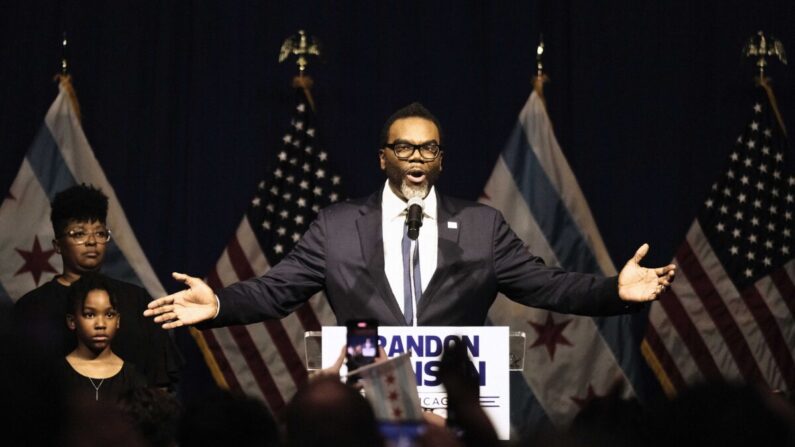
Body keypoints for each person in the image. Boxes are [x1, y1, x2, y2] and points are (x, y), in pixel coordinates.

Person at [145, 102, 676, 330]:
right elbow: (273, 290)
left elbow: (547, 286)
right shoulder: (335, 226)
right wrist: (217, 302)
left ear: (441, 158)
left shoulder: (481, 227)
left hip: (456, 404)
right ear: (384, 157)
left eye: (428, 149)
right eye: (404, 148)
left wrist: (613, 291)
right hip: (368, 399)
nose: (416, 158)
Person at [14, 184, 181, 389]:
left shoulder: (138, 302)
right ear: (57, 245)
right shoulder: (32, 308)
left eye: (100, 233)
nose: (92, 241)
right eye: (79, 234)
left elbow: (161, 385)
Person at [62, 273, 147, 403]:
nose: (101, 324)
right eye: (90, 315)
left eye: (109, 314)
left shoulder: (133, 379)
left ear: (118, 320)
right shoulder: (56, 377)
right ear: (72, 321)